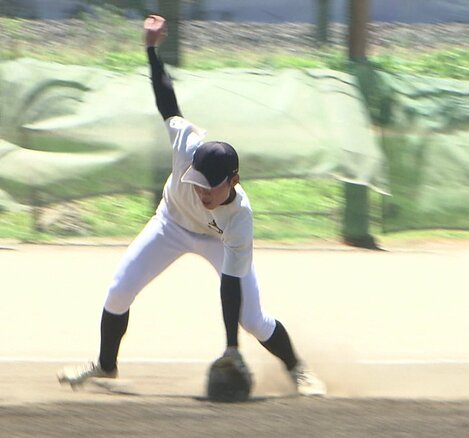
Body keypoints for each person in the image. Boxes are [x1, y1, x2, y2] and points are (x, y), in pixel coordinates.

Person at [58, 14, 326, 396]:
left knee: (253, 320)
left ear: (233, 181)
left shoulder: (238, 218)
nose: (201, 191)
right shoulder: (187, 145)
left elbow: (230, 284)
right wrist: (151, 50)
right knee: (118, 292)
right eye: (197, 182)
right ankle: (106, 365)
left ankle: (298, 369)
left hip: (216, 241)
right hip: (170, 225)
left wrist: (232, 347)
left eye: (209, 188)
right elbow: (166, 97)